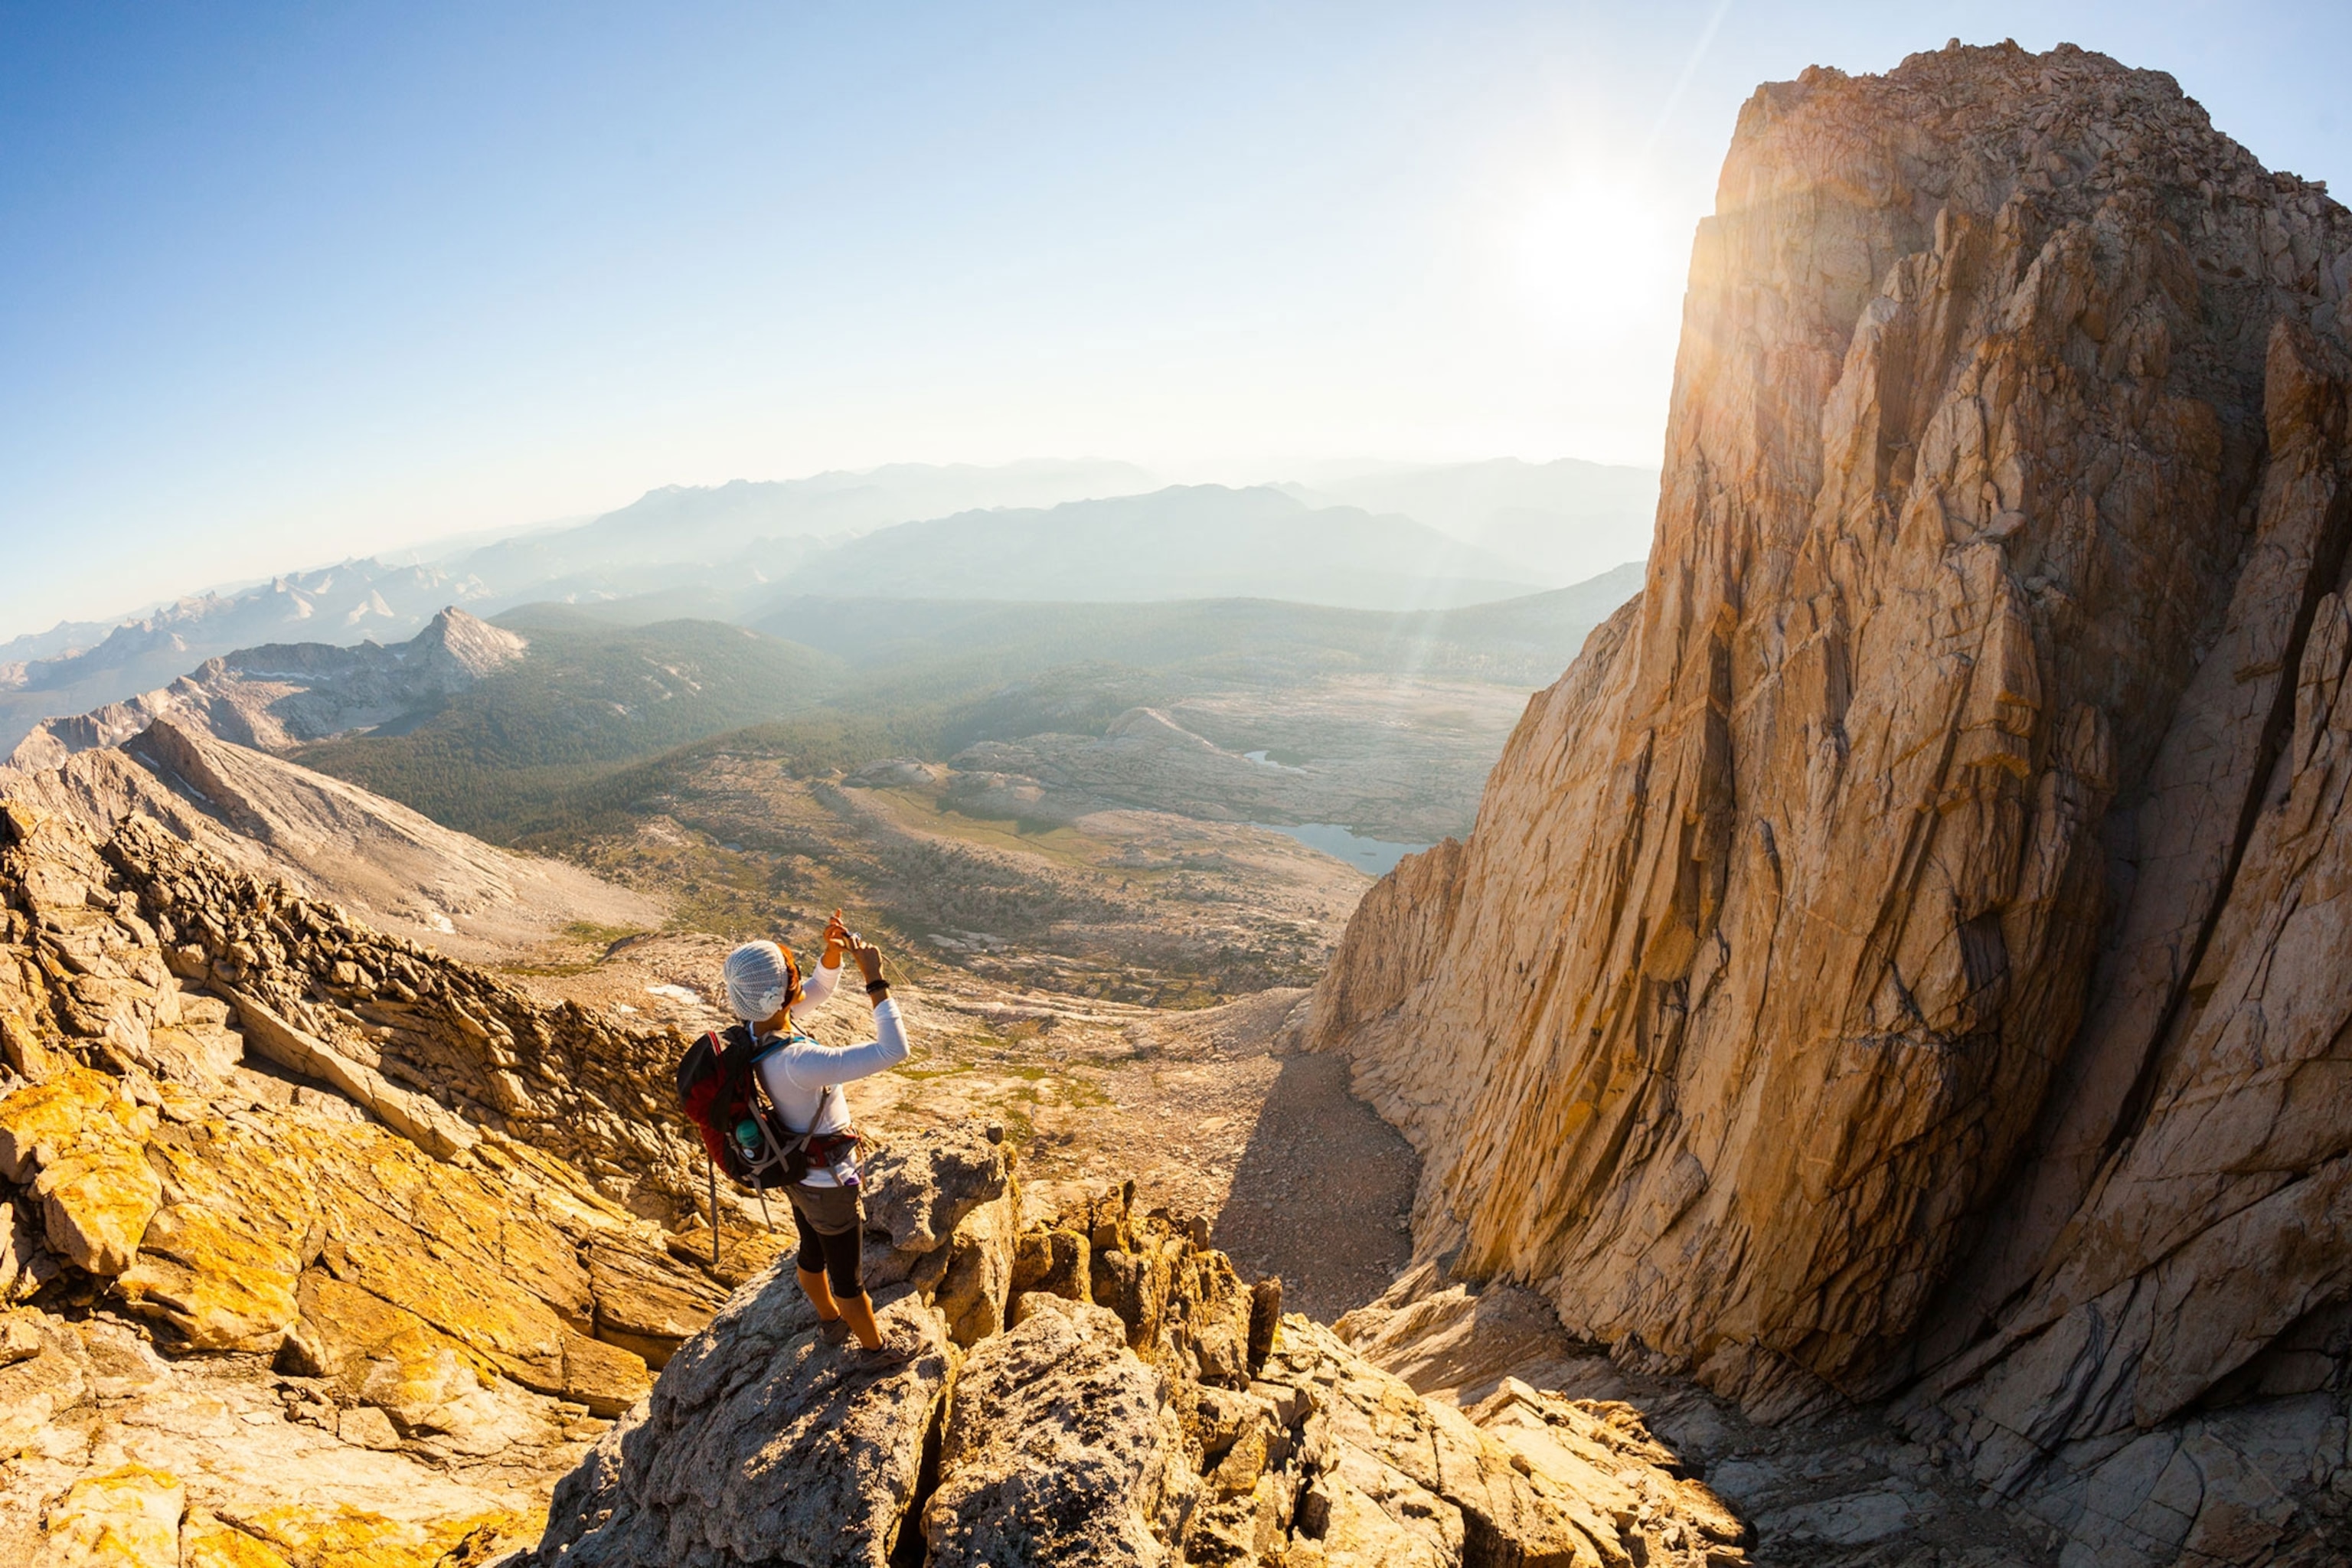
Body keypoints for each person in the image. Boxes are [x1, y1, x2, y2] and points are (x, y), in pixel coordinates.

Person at [720, 912, 920, 1368]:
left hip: (796, 1171)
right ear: (782, 993)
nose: (798, 975)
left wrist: (832, 956)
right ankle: (875, 1352)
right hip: (828, 1184)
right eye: (791, 971)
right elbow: (894, 1050)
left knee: (811, 1252)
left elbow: (821, 989)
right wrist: (875, 980)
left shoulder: (757, 1034)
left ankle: (829, 1322)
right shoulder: (798, 1060)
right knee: (848, 1278)